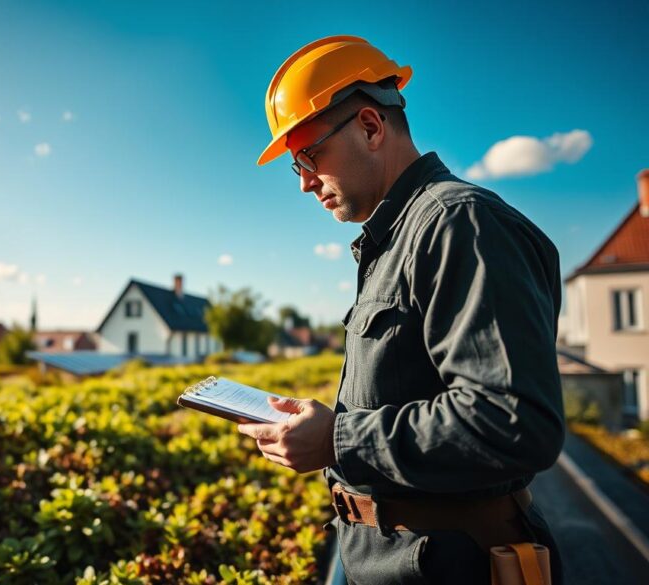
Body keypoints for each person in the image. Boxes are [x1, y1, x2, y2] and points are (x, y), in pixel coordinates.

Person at [237, 36, 565, 584]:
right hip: (373, 550)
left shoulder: (460, 224)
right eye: (294, 164)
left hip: (445, 563)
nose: (303, 183)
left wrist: (337, 439)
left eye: (309, 156)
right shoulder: (396, 239)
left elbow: (514, 422)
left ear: (370, 126)